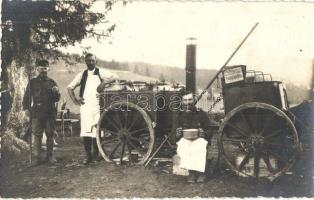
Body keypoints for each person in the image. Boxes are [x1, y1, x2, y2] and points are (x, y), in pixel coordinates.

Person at [67, 53, 118, 165]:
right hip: (85, 106)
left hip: (98, 106)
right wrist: (75, 100)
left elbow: (115, 77)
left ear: (96, 61)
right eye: (88, 61)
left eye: (92, 61)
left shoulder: (100, 72)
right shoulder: (82, 74)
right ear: (85, 61)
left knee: (97, 130)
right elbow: (69, 87)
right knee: (86, 131)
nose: (90, 63)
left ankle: (96, 154)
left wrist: (104, 82)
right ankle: (88, 155)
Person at [23, 59, 60, 165]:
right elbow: (27, 98)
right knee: (37, 135)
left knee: (50, 134)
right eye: (42, 68)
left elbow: (57, 99)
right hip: (37, 112)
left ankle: (50, 157)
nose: (44, 70)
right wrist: (26, 109)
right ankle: (36, 158)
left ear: (48, 69)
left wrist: (56, 92)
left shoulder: (52, 82)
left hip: (49, 112)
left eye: (46, 68)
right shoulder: (32, 82)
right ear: (37, 69)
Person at [175, 93, 213, 183]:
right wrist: (177, 134)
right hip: (185, 139)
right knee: (183, 145)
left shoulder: (201, 113)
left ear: (194, 100)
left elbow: (209, 129)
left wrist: (204, 133)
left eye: (190, 100)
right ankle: (191, 172)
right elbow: (174, 133)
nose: (188, 102)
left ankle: (201, 173)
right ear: (182, 102)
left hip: (198, 138)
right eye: (185, 100)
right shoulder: (179, 115)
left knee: (199, 145)